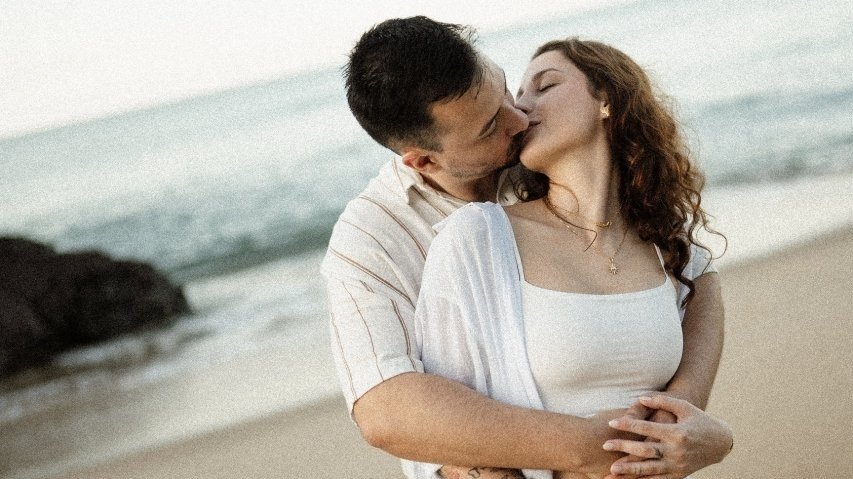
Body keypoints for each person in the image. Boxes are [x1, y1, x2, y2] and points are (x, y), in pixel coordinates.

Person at [322, 16, 732, 479]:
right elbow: (388, 410)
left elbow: (694, 269)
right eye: (490, 126)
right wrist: (592, 448)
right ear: (425, 161)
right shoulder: (374, 237)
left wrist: (693, 425)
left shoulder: (544, 163)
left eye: (504, 91)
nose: (519, 118)